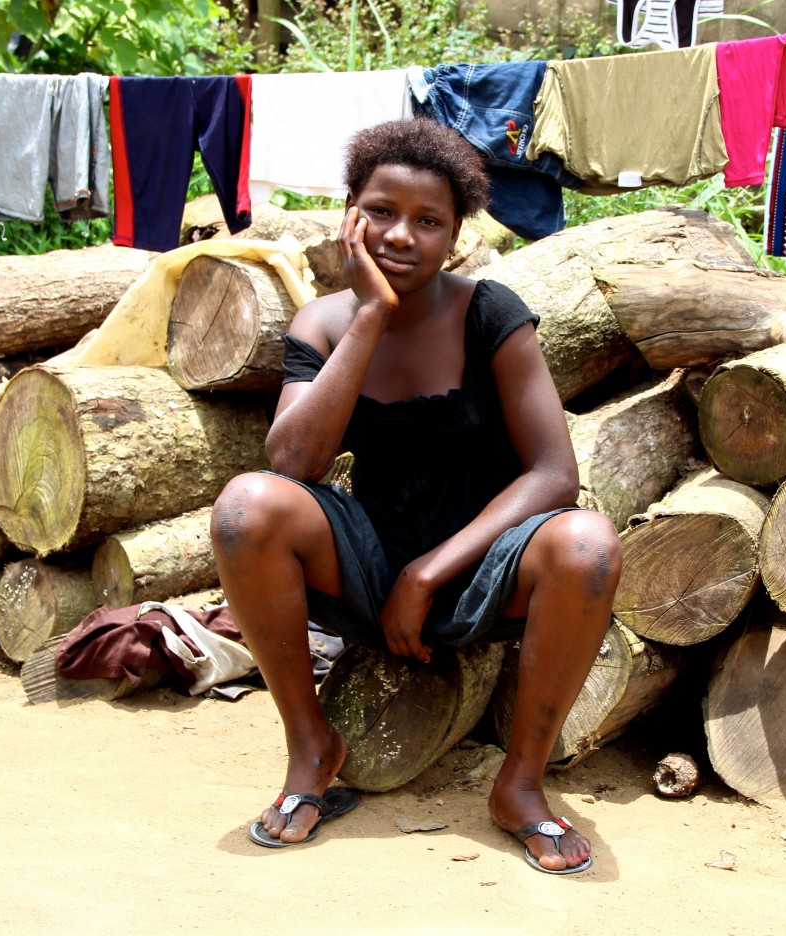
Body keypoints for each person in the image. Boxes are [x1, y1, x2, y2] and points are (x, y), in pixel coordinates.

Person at [210, 117, 621, 875]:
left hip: (484, 568)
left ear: (455, 235)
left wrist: (428, 572)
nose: (400, 235)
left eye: (427, 221)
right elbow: (293, 461)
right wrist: (369, 316)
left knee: (588, 543)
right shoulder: (325, 323)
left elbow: (551, 474)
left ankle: (520, 787)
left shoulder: (489, 314)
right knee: (246, 505)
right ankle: (311, 749)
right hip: (364, 566)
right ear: (348, 216)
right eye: (381, 211)